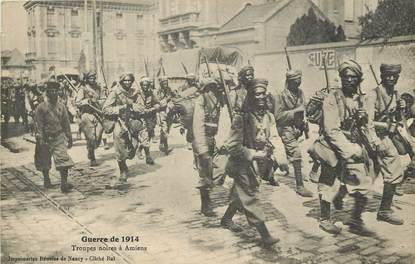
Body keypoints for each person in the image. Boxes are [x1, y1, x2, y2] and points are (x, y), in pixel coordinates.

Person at [313, 59, 373, 235]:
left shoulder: (361, 99)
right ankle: (324, 219)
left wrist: (363, 119)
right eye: (345, 77)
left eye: (353, 77)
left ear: (358, 79)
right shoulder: (332, 98)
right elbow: (332, 130)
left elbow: (366, 126)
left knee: (362, 182)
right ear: (341, 78)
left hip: (353, 145)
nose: (349, 80)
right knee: (327, 182)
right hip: (332, 146)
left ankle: (356, 219)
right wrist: (349, 150)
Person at [222, 78, 284, 246]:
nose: (261, 97)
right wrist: (255, 154)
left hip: (259, 164)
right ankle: (264, 234)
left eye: (263, 93)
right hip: (242, 163)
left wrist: (279, 155)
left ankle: (226, 219)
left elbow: (273, 136)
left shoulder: (268, 116)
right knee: (250, 196)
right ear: (251, 96)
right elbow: (233, 146)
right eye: (257, 94)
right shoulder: (241, 118)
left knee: (239, 194)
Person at [366, 63, 408, 225]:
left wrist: (400, 109)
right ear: (382, 76)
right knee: (390, 170)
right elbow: (367, 122)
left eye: (394, 76)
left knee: (372, 173)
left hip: (386, 137)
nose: (391, 78)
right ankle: (383, 211)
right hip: (374, 138)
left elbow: (395, 118)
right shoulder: (373, 95)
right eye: (387, 75)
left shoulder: (395, 94)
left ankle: (382, 210)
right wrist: (375, 141)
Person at [274, 70, 312, 197]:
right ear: (288, 82)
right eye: (294, 83)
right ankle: (300, 186)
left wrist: (305, 117)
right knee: (296, 154)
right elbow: (278, 117)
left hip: (297, 129)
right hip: (285, 129)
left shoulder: (301, 92)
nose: (297, 86)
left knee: (287, 155)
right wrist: (295, 111)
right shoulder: (281, 96)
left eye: (299, 83)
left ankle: (271, 168)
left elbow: (304, 108)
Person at [102, 73, 145, 187]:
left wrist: (131, 106)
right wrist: (119, 108)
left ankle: (126, 159)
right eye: (125, 80)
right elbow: (105, 109)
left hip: (132, 121)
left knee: (133, 147)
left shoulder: (135, 93)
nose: (127, 82)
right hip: (119, 122)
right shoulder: (115, 92)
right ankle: (123, 170)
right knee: (120, 147)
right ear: (121, 81)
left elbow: (142, 107)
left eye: (130, 80)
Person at [34, 81, 74, 193]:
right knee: (44, 160)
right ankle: (46, 179)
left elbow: (66, 123)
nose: (53, 93)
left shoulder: (61, 106)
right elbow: (39, 125)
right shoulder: (41, 108)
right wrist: (41, 139)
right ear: (47, 93)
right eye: (51, 91)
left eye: (55, 91)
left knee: (63, 159)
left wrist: (69, 137)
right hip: (45, 138)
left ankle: (64, 182)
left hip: (58, 136)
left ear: (58, 92)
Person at [193, 78, 223, 217]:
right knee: (205, 173)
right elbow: (197, 125)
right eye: (211, 87)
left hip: (213, 139)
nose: (214, 90)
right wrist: (202, 148)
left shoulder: (220, 99)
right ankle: (205, 205)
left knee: (220, 169)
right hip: (203, 139)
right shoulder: (202, 99)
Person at [75, 71, 106, 166]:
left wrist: (98, 101)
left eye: (93, 78)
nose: (92, 79)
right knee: (90, 138)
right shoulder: (83, 89)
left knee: (98, 136)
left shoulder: (98, 88)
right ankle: (92, 157)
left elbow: (103, 99)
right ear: (87, 79)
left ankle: (91, 149)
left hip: (98, 113)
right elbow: (77, 102)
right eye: (90, 78)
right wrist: (87, 101)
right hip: (87, 115)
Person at [136, 77, 160, 164]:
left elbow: (157, 103)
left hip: (150, 117)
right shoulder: (137, 94)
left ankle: (140, 149)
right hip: (141, 118)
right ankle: (148, 156)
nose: (145, 87)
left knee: (149, 135)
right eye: (143, 85)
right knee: (144, 135)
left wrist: (154, 108)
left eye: (147, 85)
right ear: (141, 85)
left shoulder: (152, 93)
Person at [157, 77, 176, 155]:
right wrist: (167, 100)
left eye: (166, 83)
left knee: (167, 130)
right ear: (161, 84)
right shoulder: (158, 92)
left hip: (170, 113)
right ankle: (165, 146)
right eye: (163, 83)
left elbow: (174, 97)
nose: (165, 84)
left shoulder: (169, 90)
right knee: (164, 130)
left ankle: (163, 145)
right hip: (162, 113)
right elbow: (158, 103)